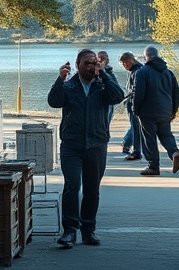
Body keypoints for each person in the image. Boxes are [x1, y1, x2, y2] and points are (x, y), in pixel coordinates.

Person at [47, 48, 124, 248]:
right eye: (87, 63)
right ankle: (70, 231)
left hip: (97, 144)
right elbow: (54, 102)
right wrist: (59, 79)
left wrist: (104, 74)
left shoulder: (102, 84)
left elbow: (118, 97)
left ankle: (88, 230)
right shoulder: (70, 85)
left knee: (92, 189)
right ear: (78, 65)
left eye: (94, 63)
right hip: (72, 144)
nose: (91, 67)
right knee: (72, 185)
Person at [133, 45, 179, 176]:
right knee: (166, 134)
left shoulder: (143, 71)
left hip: (148, 111)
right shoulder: (168, 72)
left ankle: (153, 166)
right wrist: (173, 110)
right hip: (165, 110)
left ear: (146, 56)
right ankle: (174, 152)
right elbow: (176, 93)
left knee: (149, 138)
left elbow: (139, 93)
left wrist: (136, 108)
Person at [119, 52, 143, 160]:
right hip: (130, 101)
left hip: (133, 102)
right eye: (122, 64)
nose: (124, 66)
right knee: (135, 126)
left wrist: (131, 98)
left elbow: (136, 89)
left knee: (136, 126)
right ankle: (127, 144)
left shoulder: (137, 71)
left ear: (131, 61)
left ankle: (135, 150)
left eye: (125, 63)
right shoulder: (133, 70)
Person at [96, 50, 120, 127]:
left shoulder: (109, 71)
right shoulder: (97, 72)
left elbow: (116, 87)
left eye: (105, 58)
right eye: (101, 58)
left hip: (109, 100)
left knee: (106, 122)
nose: (104, 60)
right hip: (103, 101)